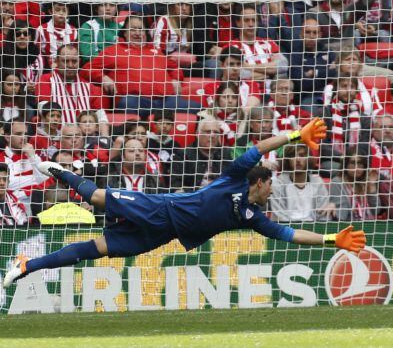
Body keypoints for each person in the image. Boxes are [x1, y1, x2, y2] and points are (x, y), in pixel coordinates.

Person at [3, 118, 366, 288]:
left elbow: (289, 234)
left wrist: (332, 240)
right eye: (271, 185)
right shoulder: (235, 176)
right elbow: (259, 148)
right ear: (261, 181)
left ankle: (27, 264)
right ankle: (57, 171)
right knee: (96, 196)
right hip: (160, 208)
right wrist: (293, 135)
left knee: (94, 250)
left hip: (162, 234)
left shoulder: (253, 216)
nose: (273, 190)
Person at [36, 45, 108, 125]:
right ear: (56, 61)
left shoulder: (90, 87)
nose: (70, 65)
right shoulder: (46, 80)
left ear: (79, 62)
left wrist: (104, 137)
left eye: (74, 61)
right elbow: (43, 108)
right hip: (54, 134)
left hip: (83, 135)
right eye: (65, 61)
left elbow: (102, 118)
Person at [269, 143, 333, 222]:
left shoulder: (318, 182)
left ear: (308, 159)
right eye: (293, 156)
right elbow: (280, 216)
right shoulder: (278, 183)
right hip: (286, 231)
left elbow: (322, 213)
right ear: (287, 160)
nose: (298, 159)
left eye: (302, 155)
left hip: (313, 229)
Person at [328, 148, 380, 221]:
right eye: (352, 163)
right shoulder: (337, 182)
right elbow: (341, 215)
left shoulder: (365, 183)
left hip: (369, 226)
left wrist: (371, 185)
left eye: (360, 164)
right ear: (346, 164)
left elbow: (376, 211)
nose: (356, 168)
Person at [34, 2, 77, 67]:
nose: (61, 13)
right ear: (51, 11)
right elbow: (36, 52)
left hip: (68, 66)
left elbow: (76, 53)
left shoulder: (73, 31)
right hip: (46, 67)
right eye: (57, 10)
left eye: (64, 10)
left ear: (68, 13)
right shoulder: (41, 29)